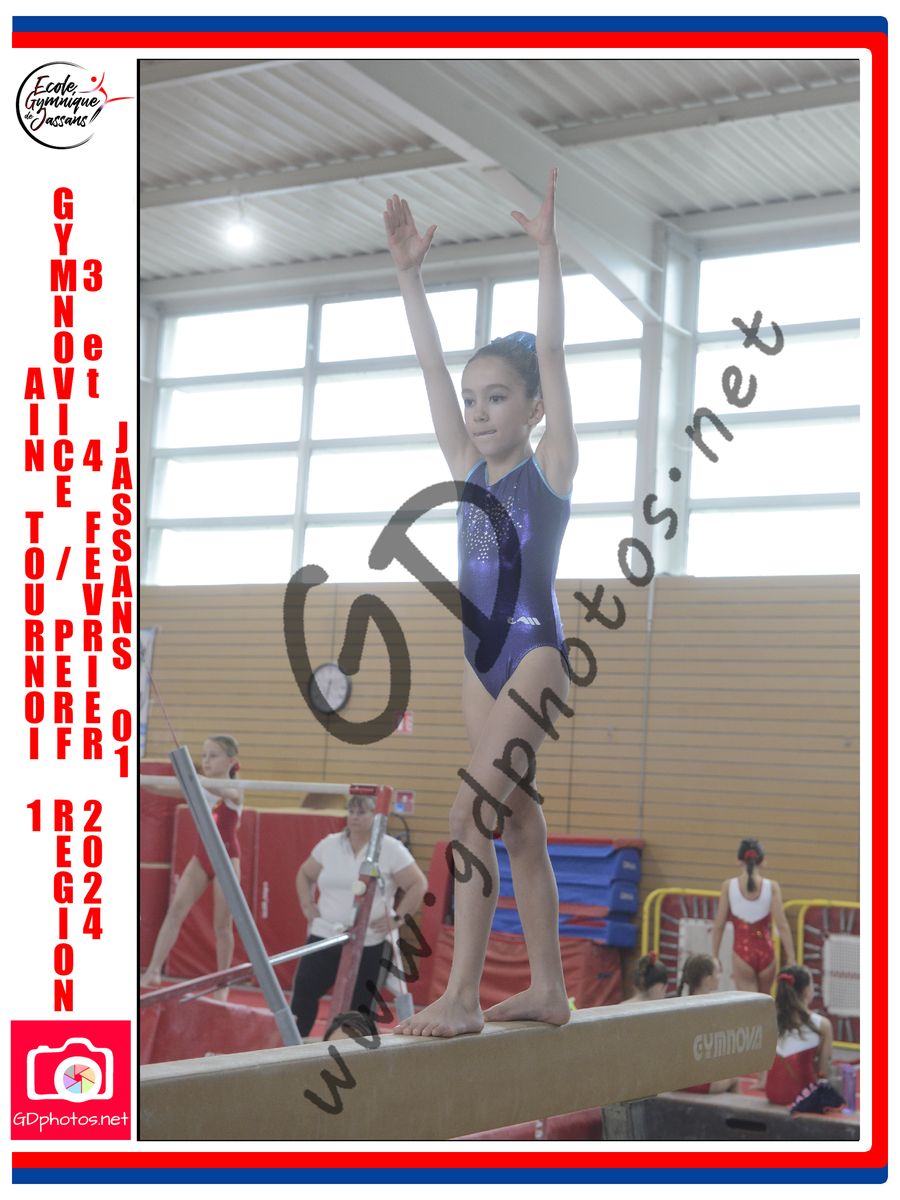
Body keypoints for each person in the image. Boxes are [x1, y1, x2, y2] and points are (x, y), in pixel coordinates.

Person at [383, 168, 578, 1037]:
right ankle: (549, 989)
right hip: (477, 660)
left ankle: (460, 995)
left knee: (469, 811)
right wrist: (409, 277)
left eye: (498, 397)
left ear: (533, 409)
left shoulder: (550, 470)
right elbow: (429, 364)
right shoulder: (466, 471)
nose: (479, 411)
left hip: (534, 655)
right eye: (473, 400)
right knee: (518, 820)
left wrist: (547, 255)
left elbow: (555, 354)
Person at [291, 793, 428, 1038]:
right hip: (326, 933)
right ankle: (293, 1044)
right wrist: (307, 904)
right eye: (351, 811)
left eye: (362, 812)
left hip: (370, 939)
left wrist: (397, 918)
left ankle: (356, 1052)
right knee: (304, 992)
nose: (354, 817)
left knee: (360, 1006)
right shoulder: (329, 844)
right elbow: (304, 873)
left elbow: (418, 884)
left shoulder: (391, 849)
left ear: (376, 816)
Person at [140, 735, 243, 1001]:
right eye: (204, 755)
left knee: (222, 925)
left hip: (226, 858)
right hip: (202, 857)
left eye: (213, 756)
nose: (206, 761)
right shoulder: (199, 786)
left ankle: (223, 983)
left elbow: (228, 794)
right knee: (175, 910)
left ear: (231, 761)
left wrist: (194, 779)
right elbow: (159, 787)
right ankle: (153, 970)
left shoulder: (236, 787)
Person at [710, 837, 795, 995]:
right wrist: (791, 957)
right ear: (763, 861)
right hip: (767, 952)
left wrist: (715, 955)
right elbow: (782, 925)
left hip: (742, 952)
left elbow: (719, 924)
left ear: (738, 861)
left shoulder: (728, 886)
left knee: (748, 1004)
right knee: (763, 1002)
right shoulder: (772, 887)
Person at [765, 965, 834, 1106]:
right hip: (802, 1097)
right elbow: (823, 1071)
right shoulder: (822, 1024)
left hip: (772, 1093)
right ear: (807, 990)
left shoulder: (770, 1020)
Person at [677, 954, 738, 1094]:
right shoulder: (709, 1010)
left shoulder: (680, 1005)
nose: (720, 976)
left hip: (678, 1080)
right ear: (708, 980)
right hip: (696, 1082)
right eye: (718, 972)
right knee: (735, 1077)